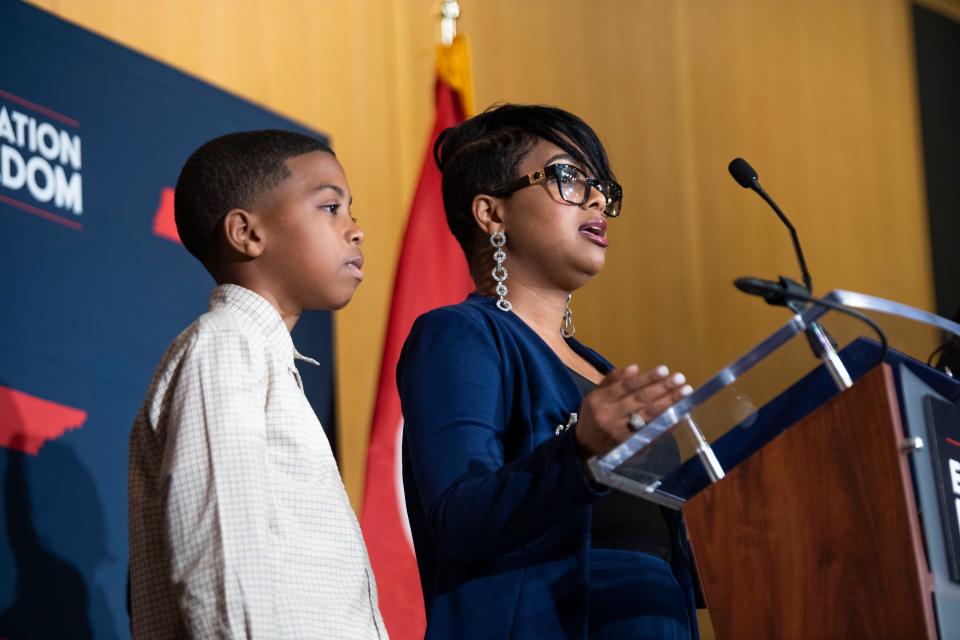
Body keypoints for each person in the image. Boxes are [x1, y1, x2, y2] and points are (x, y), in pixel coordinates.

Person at [398, 104, 702, 639]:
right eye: (568, 177)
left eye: (601, 185)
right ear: (491, 214)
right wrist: (578, 452)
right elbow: (459, 519)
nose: (597, 199)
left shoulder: (602, 370)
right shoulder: (460, 336)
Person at [128, 130, 387, 639]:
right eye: (331, 207)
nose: (355, 230)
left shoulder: (266, 361)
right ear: (247, 233)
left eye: (351, 210)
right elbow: (222, 563)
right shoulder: (224, 346)